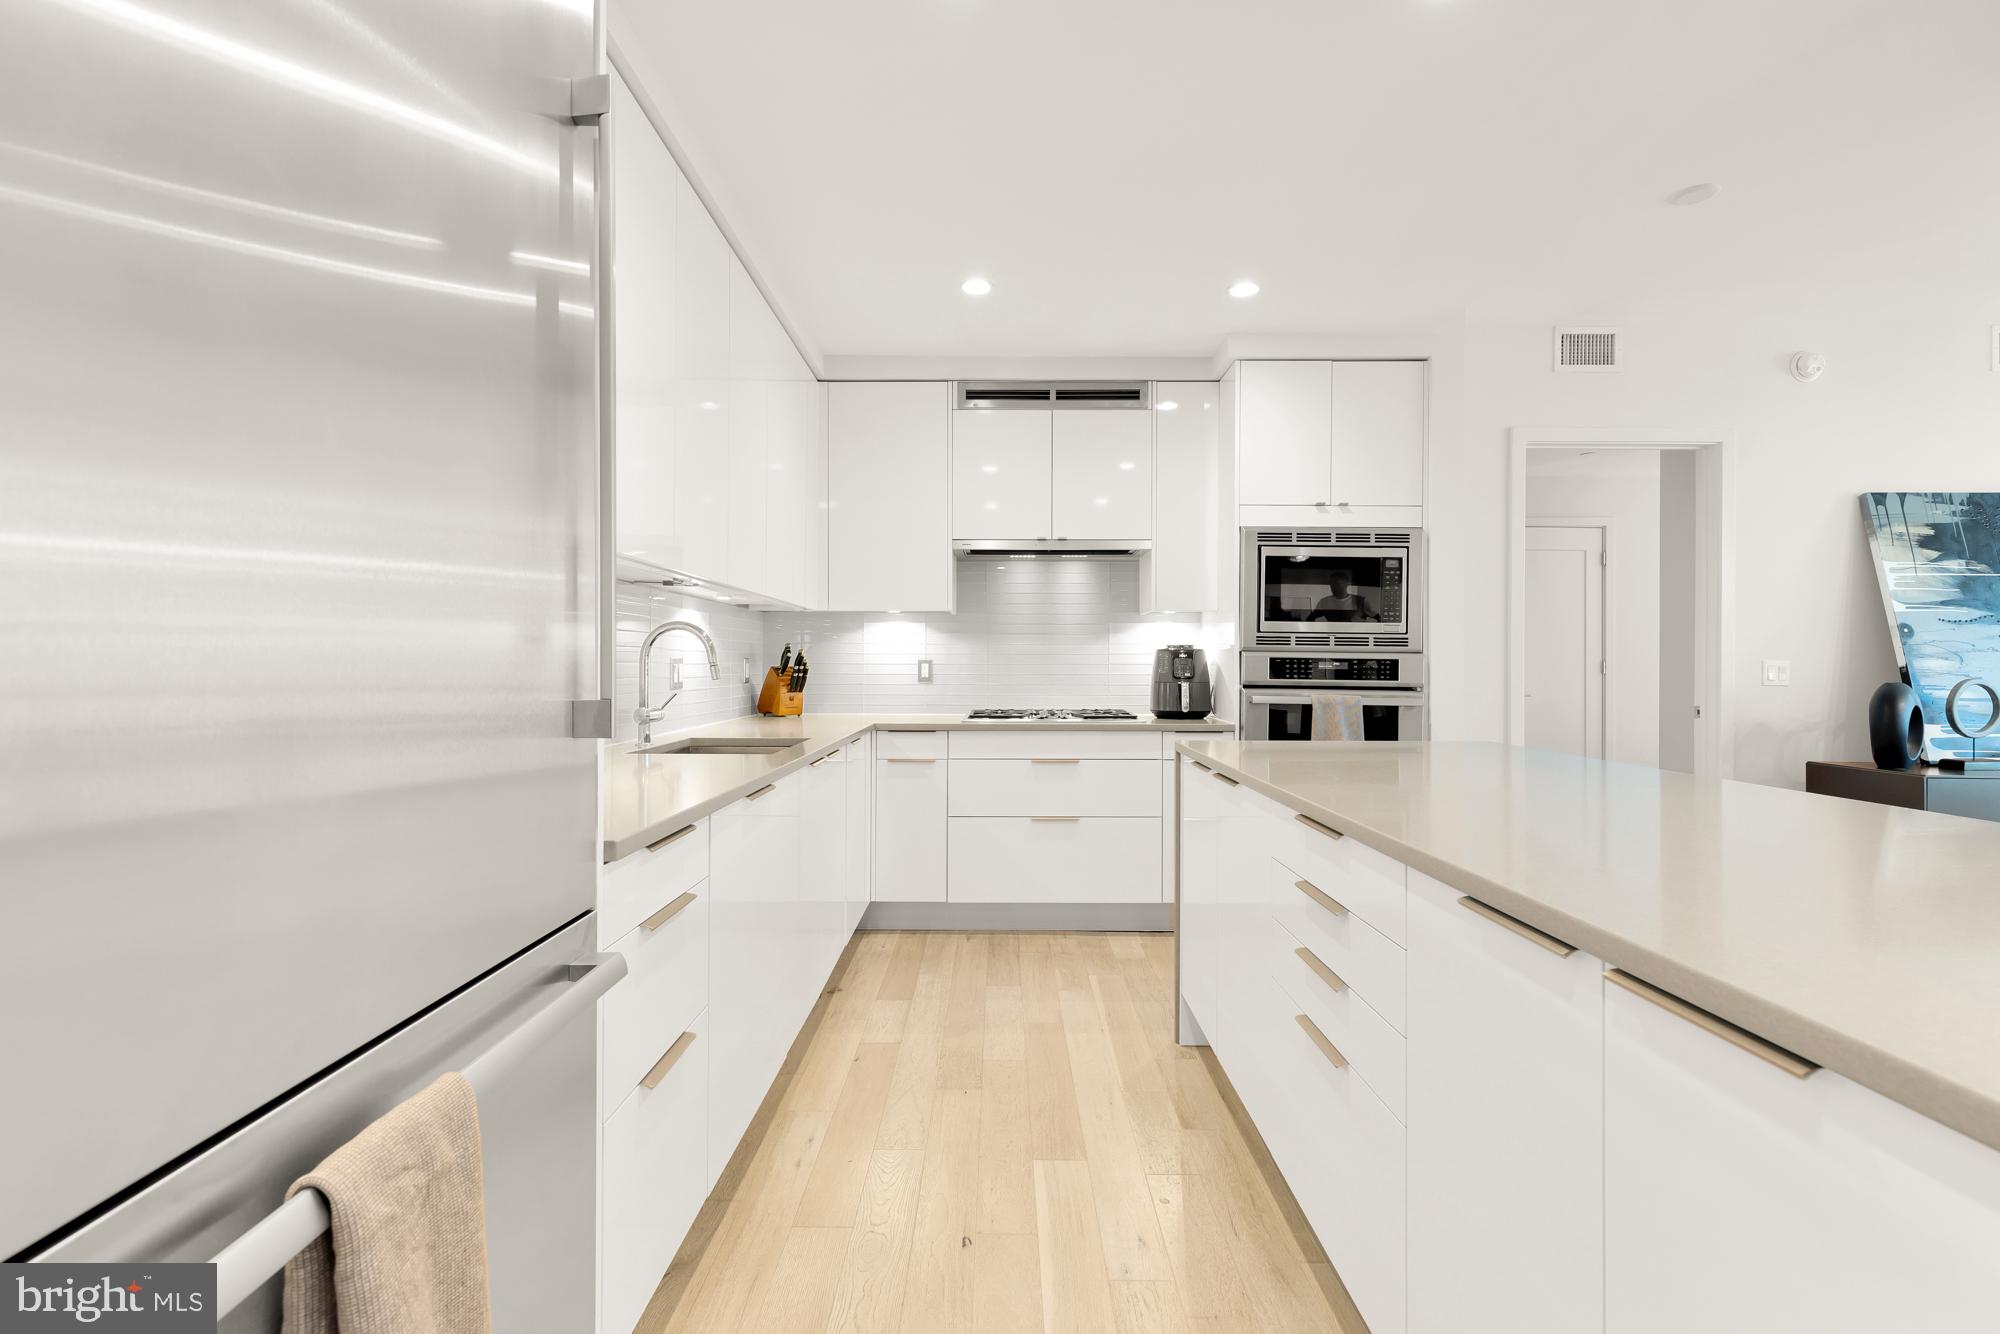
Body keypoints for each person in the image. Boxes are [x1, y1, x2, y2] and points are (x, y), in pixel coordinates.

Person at [1311, 570, 1378, 621]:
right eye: (1331, 584)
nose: (1333, 587)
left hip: (1356, 637)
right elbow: (1310, 619)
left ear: (1347, 584)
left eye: (1337, 584)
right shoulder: (1324, 602)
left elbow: (1379, 618)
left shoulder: (1361, 601)